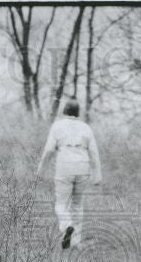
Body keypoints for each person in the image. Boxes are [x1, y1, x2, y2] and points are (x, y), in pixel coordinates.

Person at [37, 98, 102, 249]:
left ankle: (66, 225)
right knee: (78, 205)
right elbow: (94, 152)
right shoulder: (86, 128)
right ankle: (76, 241)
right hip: (83, 167)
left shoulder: (57, 126)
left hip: (64, 167)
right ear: (78, 113)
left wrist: (41, 169)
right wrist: (97, 174)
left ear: (64, 111)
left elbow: (49, 150)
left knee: (61, 203)